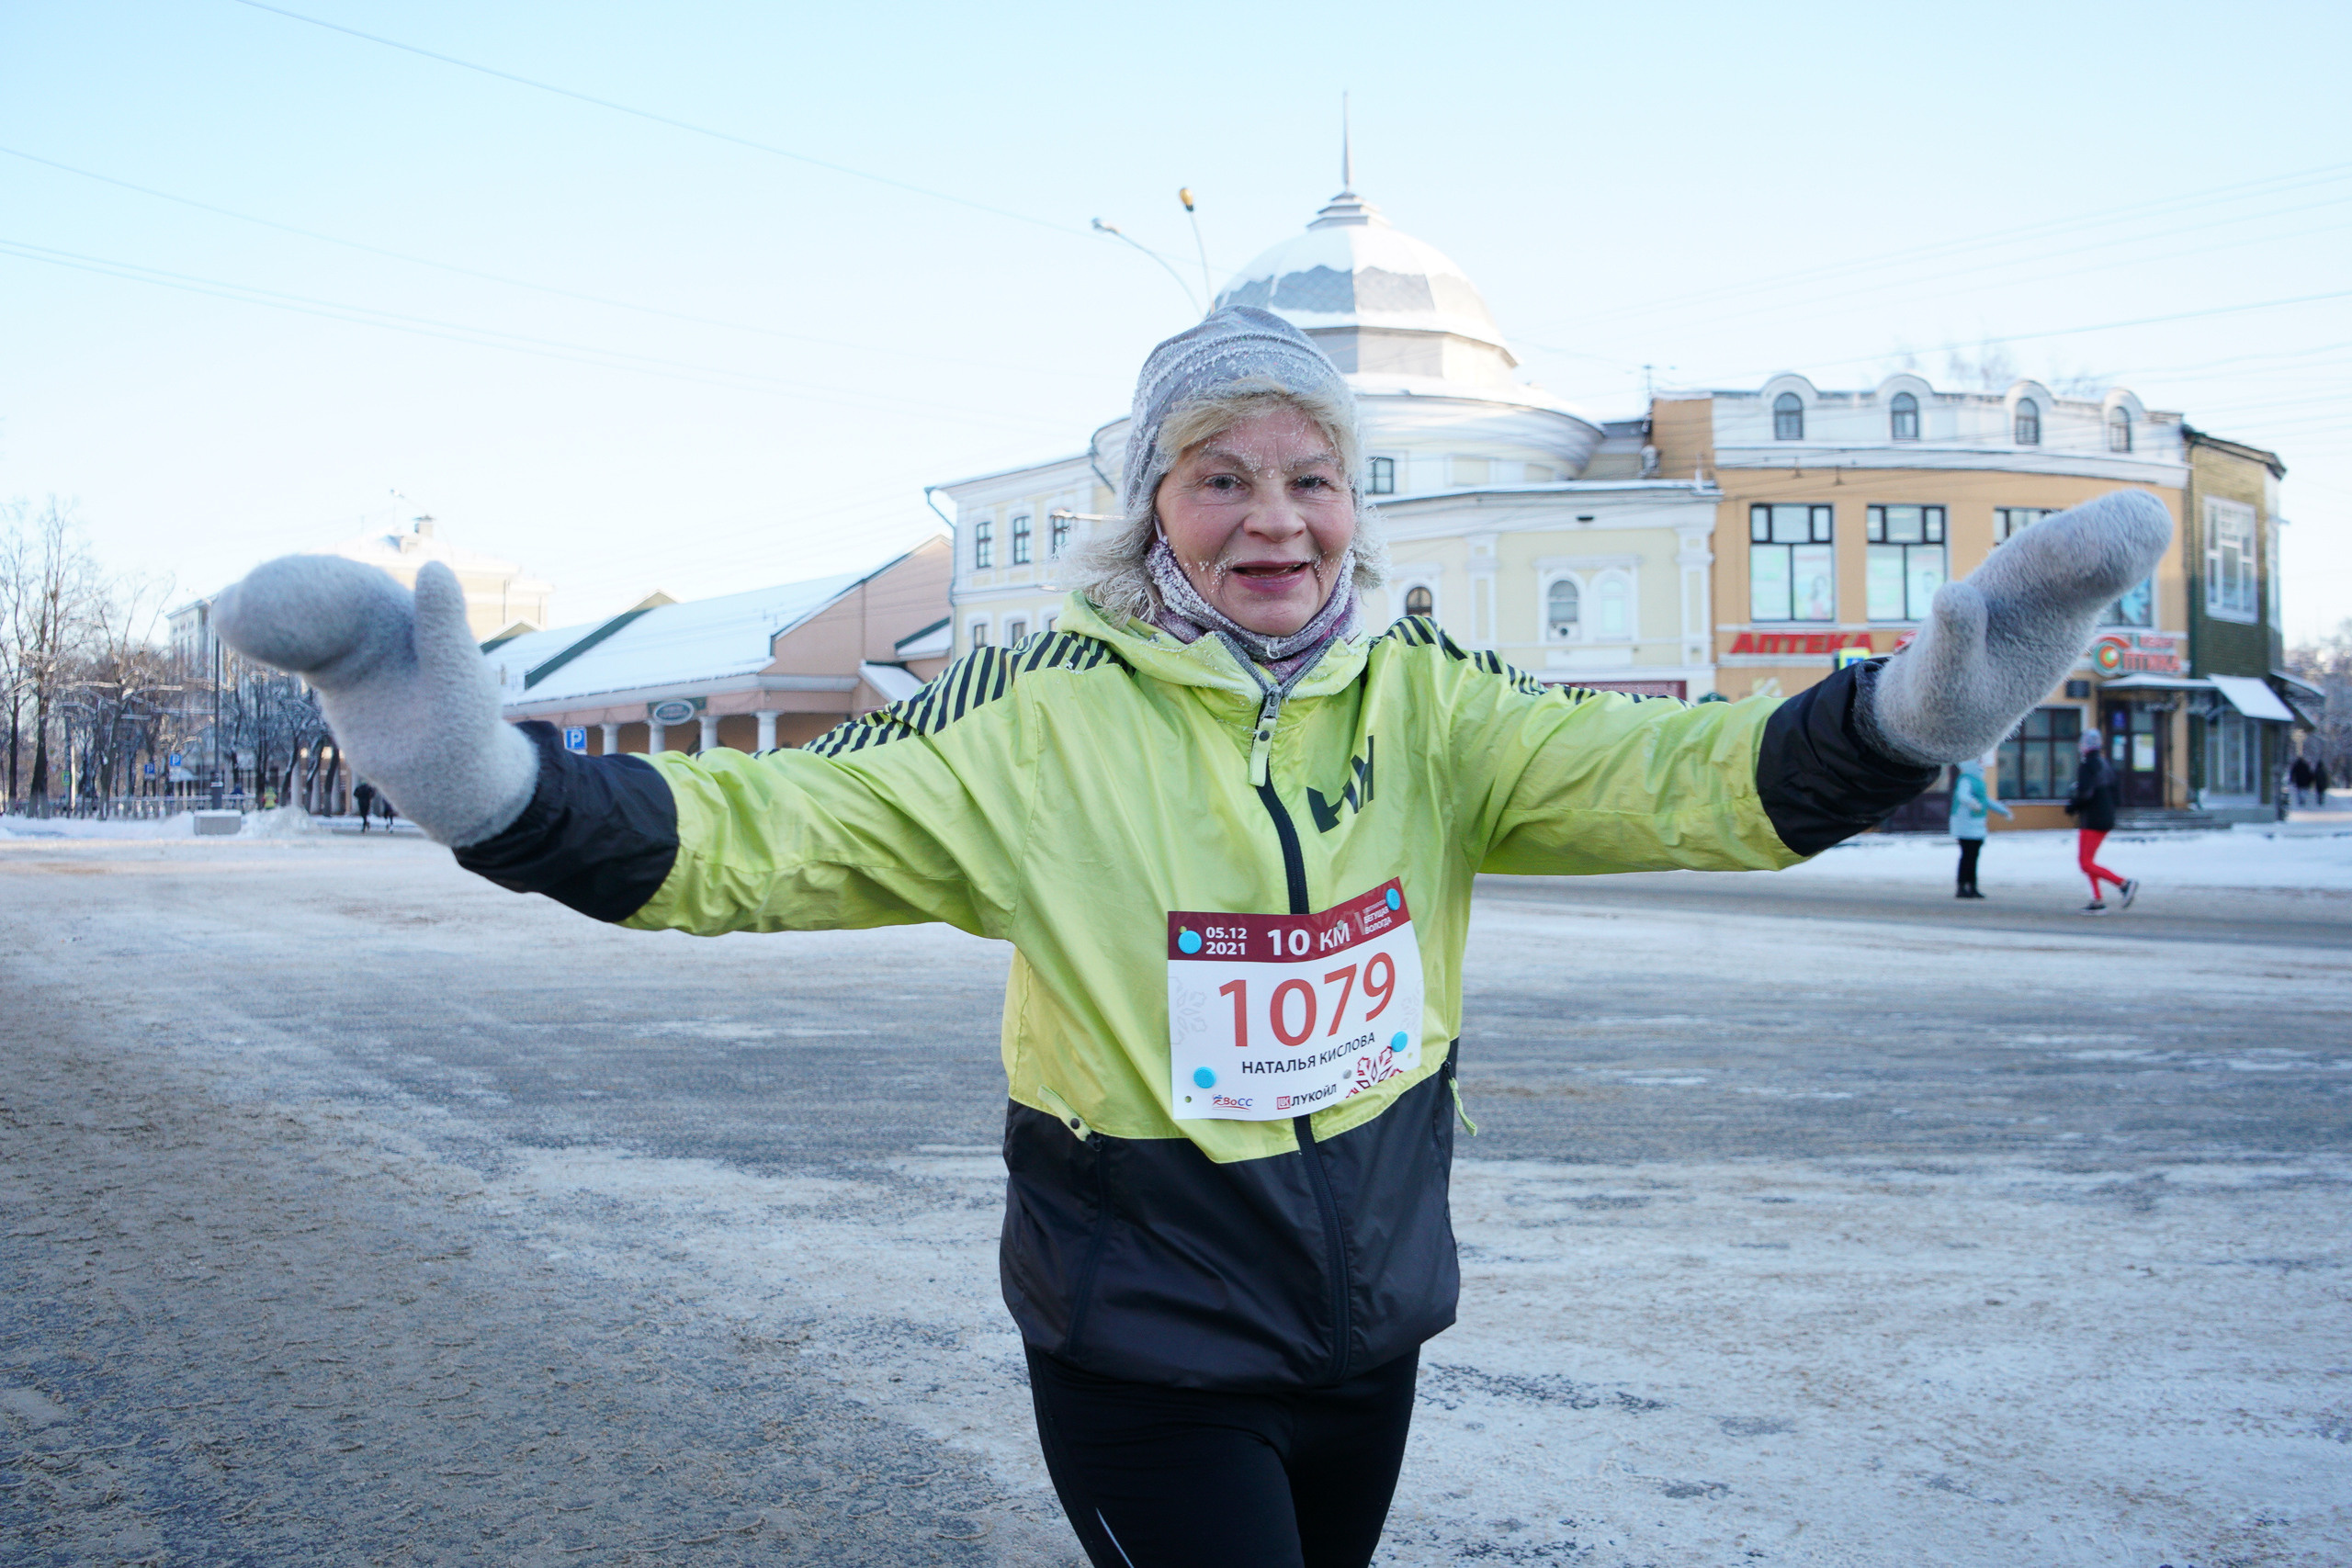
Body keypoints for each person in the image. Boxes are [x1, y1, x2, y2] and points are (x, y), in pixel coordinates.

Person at [207, 308, 2170, 1568]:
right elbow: (758, 833)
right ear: (1152, 511)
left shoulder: (1432, 703)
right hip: (1148, 1341)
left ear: (1353, 505)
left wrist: (1911, 713)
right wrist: (478, 774)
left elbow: (1682, 777)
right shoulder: (1041, 714)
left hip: (1367, 1328)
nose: (1272, 516)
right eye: (1219, 476)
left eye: (1308, 476)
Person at [2064, 727, 2137, 913]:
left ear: (2085, 745)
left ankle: (2123, 884)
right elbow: (2116, 794)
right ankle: (2097, 900)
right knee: (2089, 862)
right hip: (2105, 818)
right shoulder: (2106, 764)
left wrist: (2072, 807)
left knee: (2086, 863)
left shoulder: (2088, 765)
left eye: (2082, 742)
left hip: (2092, 820)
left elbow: (2086, 793)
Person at [1948, 757, 2012, 897]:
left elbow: (1985, 800)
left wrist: (2003, 810)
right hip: (1965, 824)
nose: (1981, 764)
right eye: (1978, 761)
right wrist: (1972, 802)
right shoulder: (1966, 779)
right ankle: (1962, 887)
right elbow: (1962, 795)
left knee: (1974, 856)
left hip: (1977, 825)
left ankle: (1972, 886)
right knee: (1967, 856)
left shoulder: (1978, 781)